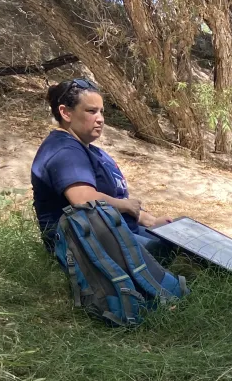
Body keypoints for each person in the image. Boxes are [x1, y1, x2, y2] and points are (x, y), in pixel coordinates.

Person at [31, 79, 172, 257]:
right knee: (176, 255)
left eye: (101, 112)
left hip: (119, 234)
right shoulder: (65, 151)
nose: (100, 119)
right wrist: (125, 205)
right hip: (87, 249)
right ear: (66, 112)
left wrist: (151, 221)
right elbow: (83, 199)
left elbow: (116, 201)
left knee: (182, 244)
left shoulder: (91, 151)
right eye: (91, 111)